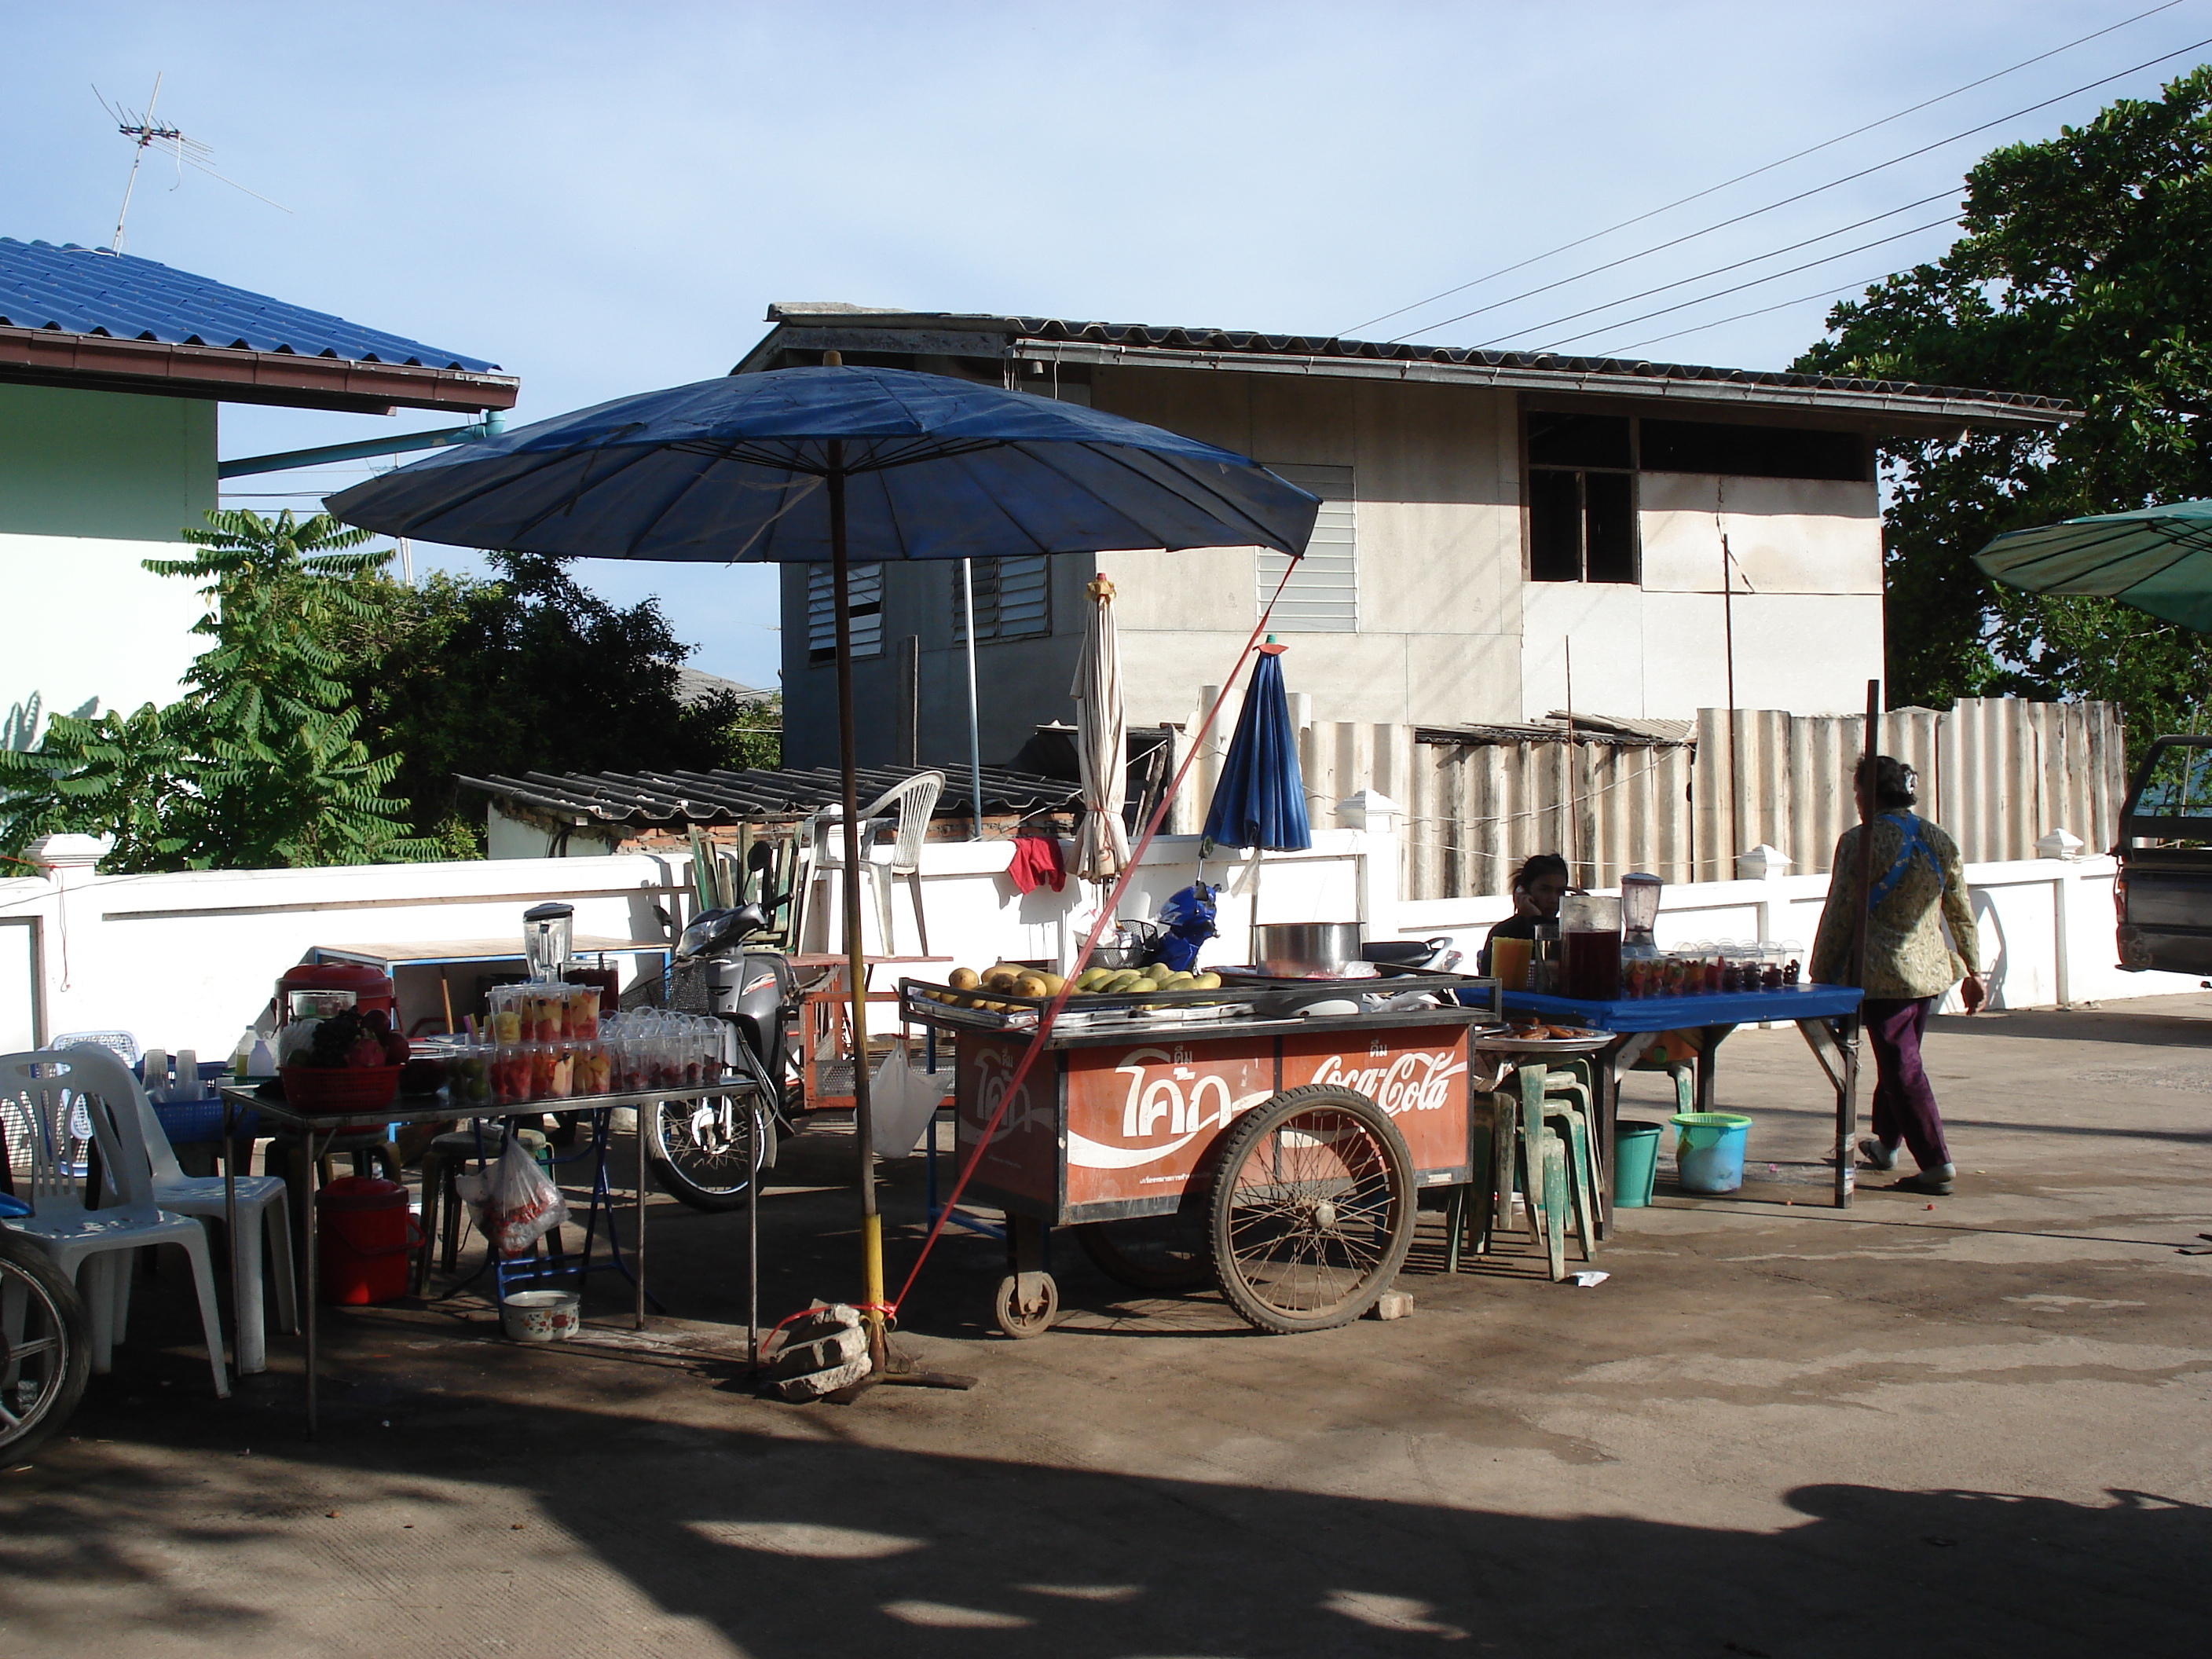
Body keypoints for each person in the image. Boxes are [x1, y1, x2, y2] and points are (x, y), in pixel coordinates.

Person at [1811, 754, 1986, 1196]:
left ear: (1868, 795)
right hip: (1926, 974)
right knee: (1899, 1062)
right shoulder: (1939, 839)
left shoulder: (1860, 841)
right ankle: (1887, 1144)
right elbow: (1961, 912)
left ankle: (1935, 1161)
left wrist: (1821, 972)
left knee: (1903, 1068)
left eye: (1857, 792)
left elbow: (1841, 911)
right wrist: (1974, 969)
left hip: (1880, 974)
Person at [1481, 853, 1569, 974]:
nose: (1554, 899)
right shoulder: (1505, 933)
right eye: (1545, 890)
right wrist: (1535, 920)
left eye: (1560, 891)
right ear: (1524, 891)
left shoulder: (1568, 931)